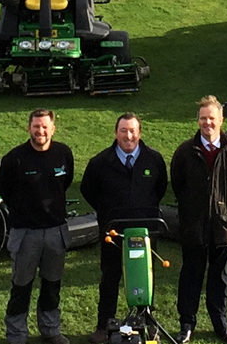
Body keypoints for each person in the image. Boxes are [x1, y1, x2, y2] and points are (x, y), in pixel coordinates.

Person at [80, 113, 169, 344]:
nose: (128, 136)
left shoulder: (154, 160)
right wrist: (108, 211)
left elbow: (160, 189)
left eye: (132, 131)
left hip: (145, 232)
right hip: (114, 233)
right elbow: (88, 190)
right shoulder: (100, 163)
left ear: (139, 132)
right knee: (110, 277)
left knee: (144, 277)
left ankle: (146, 323)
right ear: (115, 132)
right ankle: (103, 325)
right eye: (123, 131)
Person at [170, 96, 227, 344]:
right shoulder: (184, 151)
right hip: (194, 227)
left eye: (212, 118)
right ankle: (186, 325)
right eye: (203, 118)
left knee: (219, 277)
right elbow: (178, 185)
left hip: (223, 228)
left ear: (221, 120)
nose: (207, 123)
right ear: (198, 121)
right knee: (191, 275)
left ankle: (220, 325)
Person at [0, 109, 75, 344]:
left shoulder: (64, 154)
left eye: (44, 126)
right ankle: (17, 335)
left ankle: (50, 330)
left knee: (52, 285)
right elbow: (5, 191)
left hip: (55, 232)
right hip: (25, 234)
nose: (40, 131)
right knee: (21, 287)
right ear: (28, 128)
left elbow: (67, 182)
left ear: (53, 128)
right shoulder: (15, 159)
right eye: (36, 126)